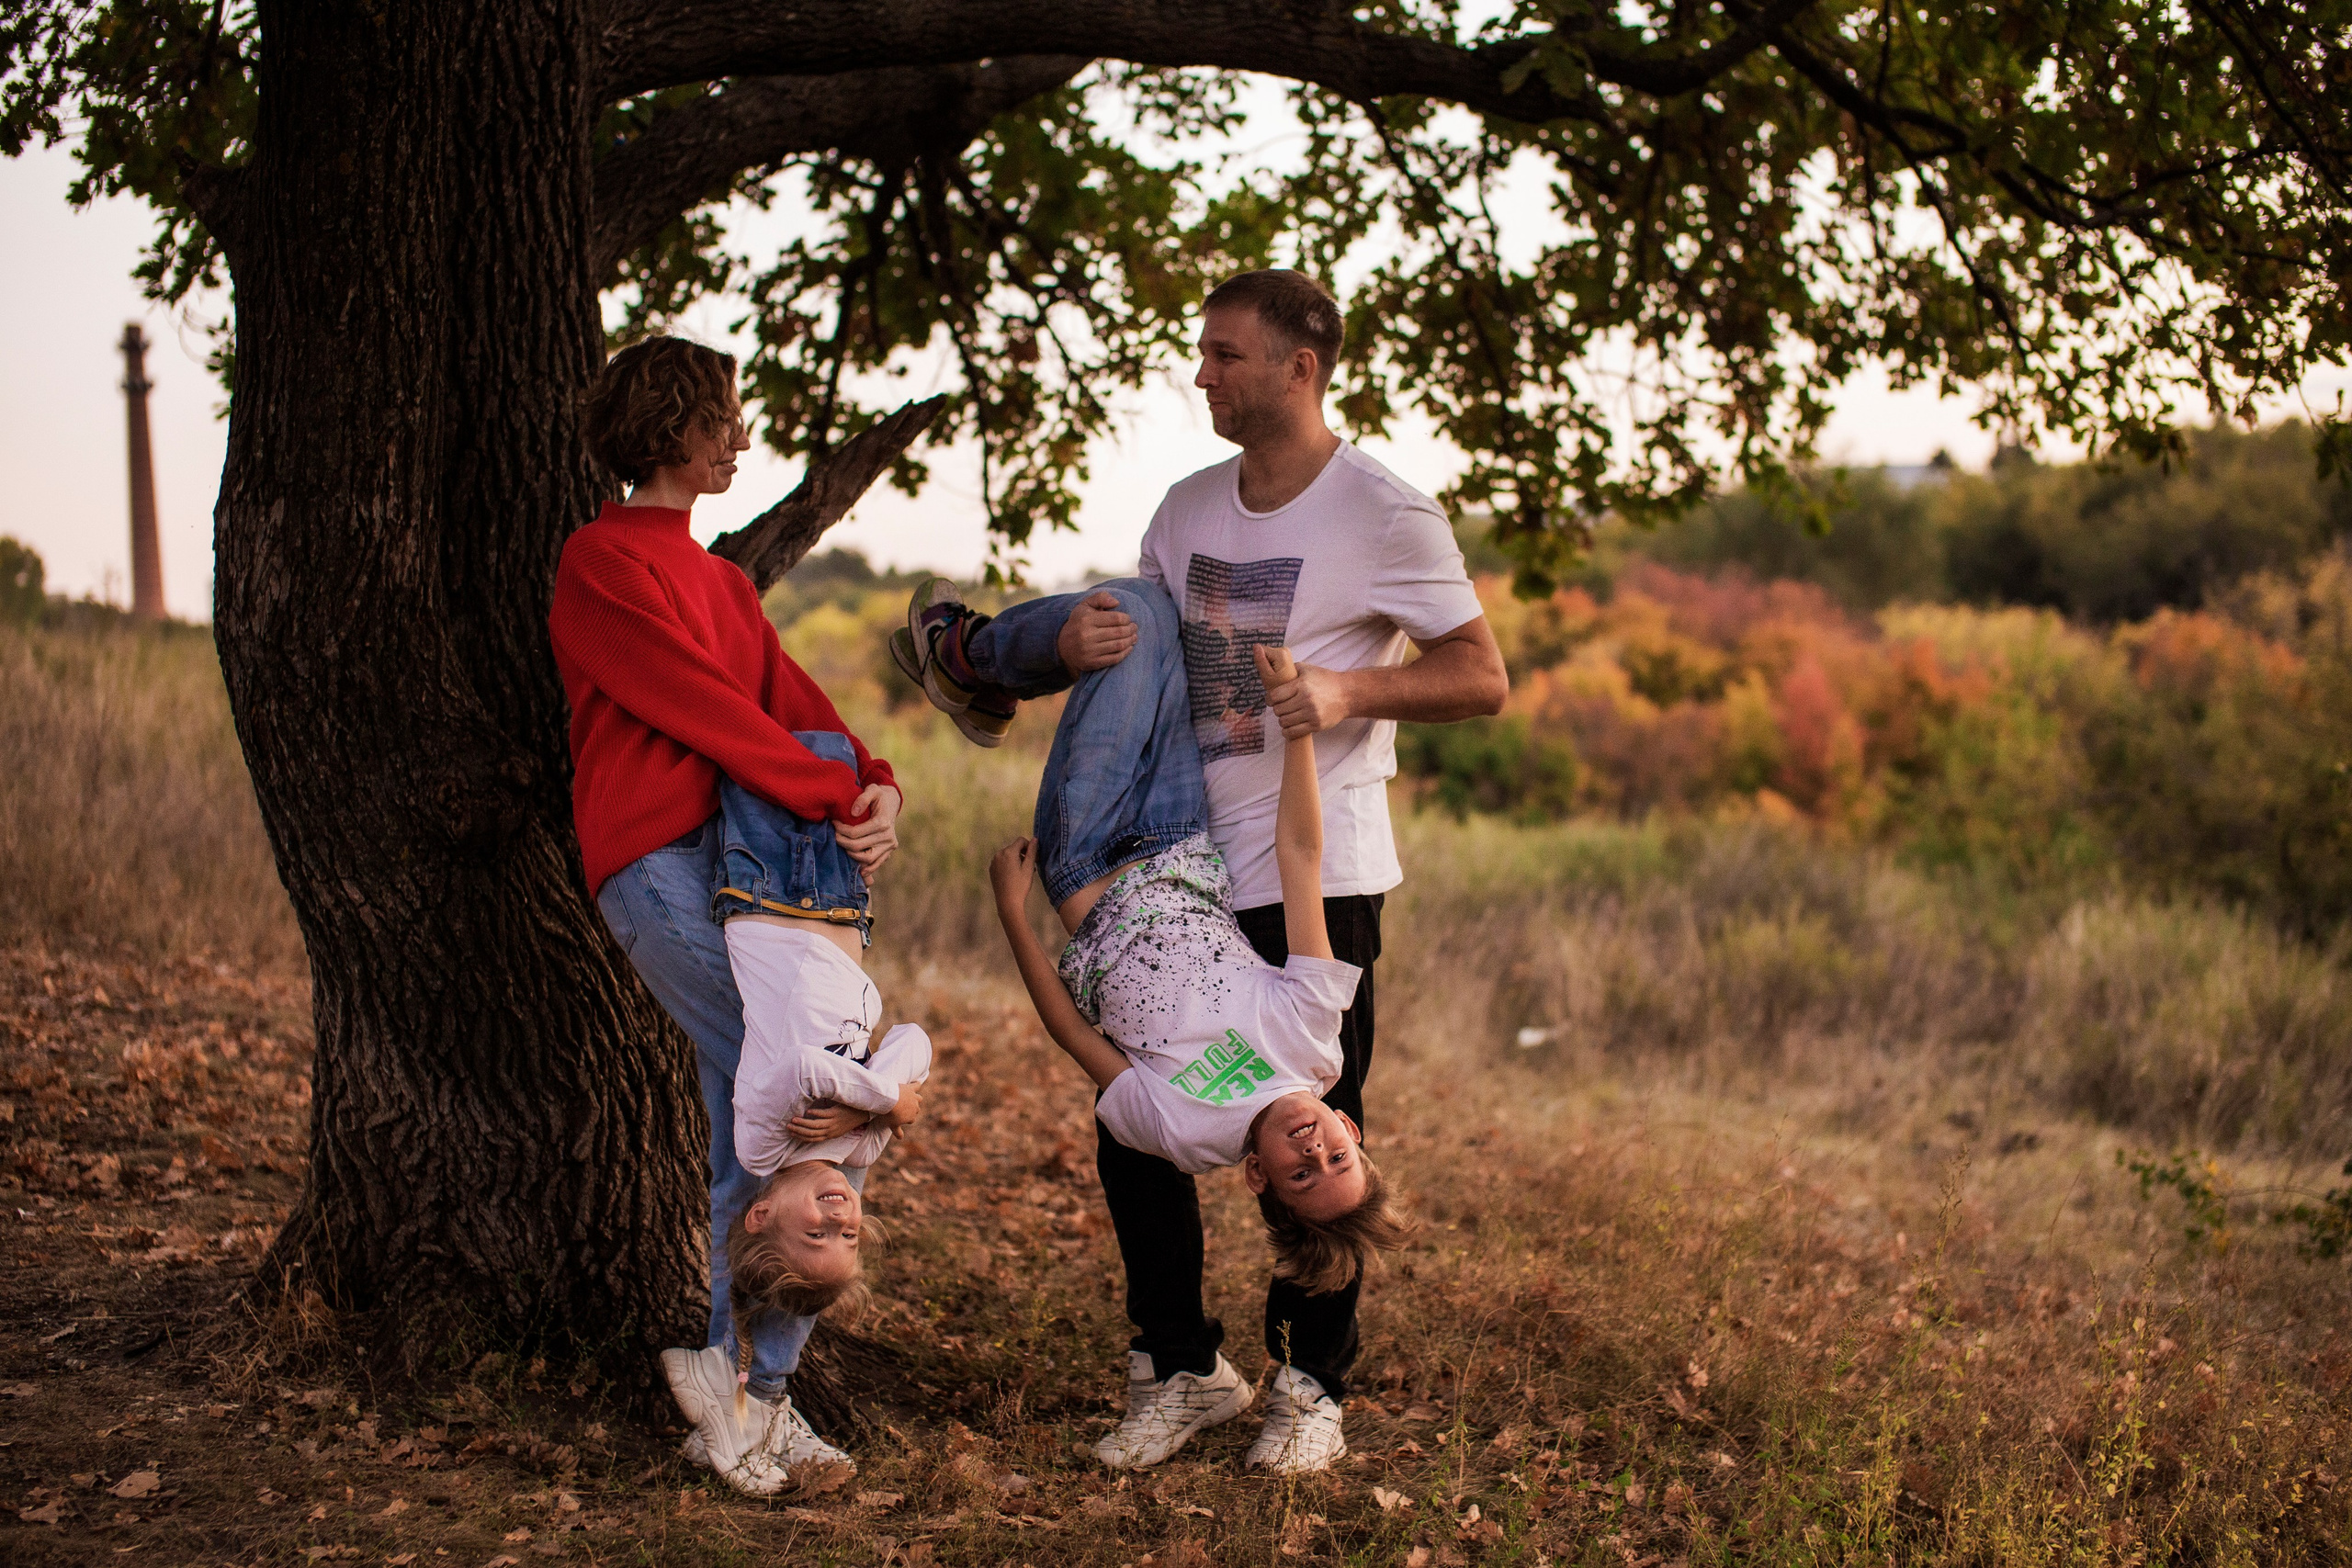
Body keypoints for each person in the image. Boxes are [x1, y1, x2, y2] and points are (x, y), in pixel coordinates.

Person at [904, 269, 1508, 1472]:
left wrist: (1343, 690)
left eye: (1227, 355)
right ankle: (1179, 1363)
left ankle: (1309, 1382)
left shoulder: (1386, 512)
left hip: (1311, 865)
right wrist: (1081, 644)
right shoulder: (1187, 507)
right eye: (1203, 353)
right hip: (1171, 839)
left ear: (1301, 366)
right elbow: (1153, 671)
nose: (1204, 376)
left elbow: (1480, 675)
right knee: (1137, 1133)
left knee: (1321, 1120)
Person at [548, 336, 905, 1496]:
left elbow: (789, 701)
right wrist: (818, 787)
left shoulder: (722, 582)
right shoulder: (601, 560)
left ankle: (738, 1387)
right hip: (651, 862)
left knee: (741, 1141)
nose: (740, 440)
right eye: (725, 419)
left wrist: (874, 779)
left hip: (742, 878)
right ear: (672, 425)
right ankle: (751, 1398)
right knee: (807, 1114)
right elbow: (694, 703)